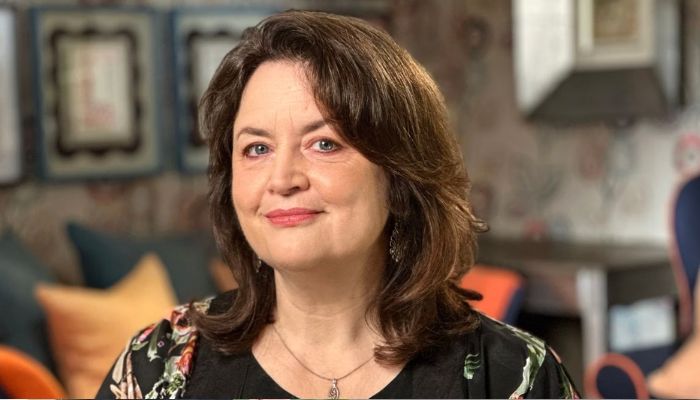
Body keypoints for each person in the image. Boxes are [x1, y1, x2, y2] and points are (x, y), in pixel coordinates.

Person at [96, 10, 579, 399]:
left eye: (324, 143)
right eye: (257, 148)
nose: (282, 180)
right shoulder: (159, 364)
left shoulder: (512, 376)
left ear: (400, 176)